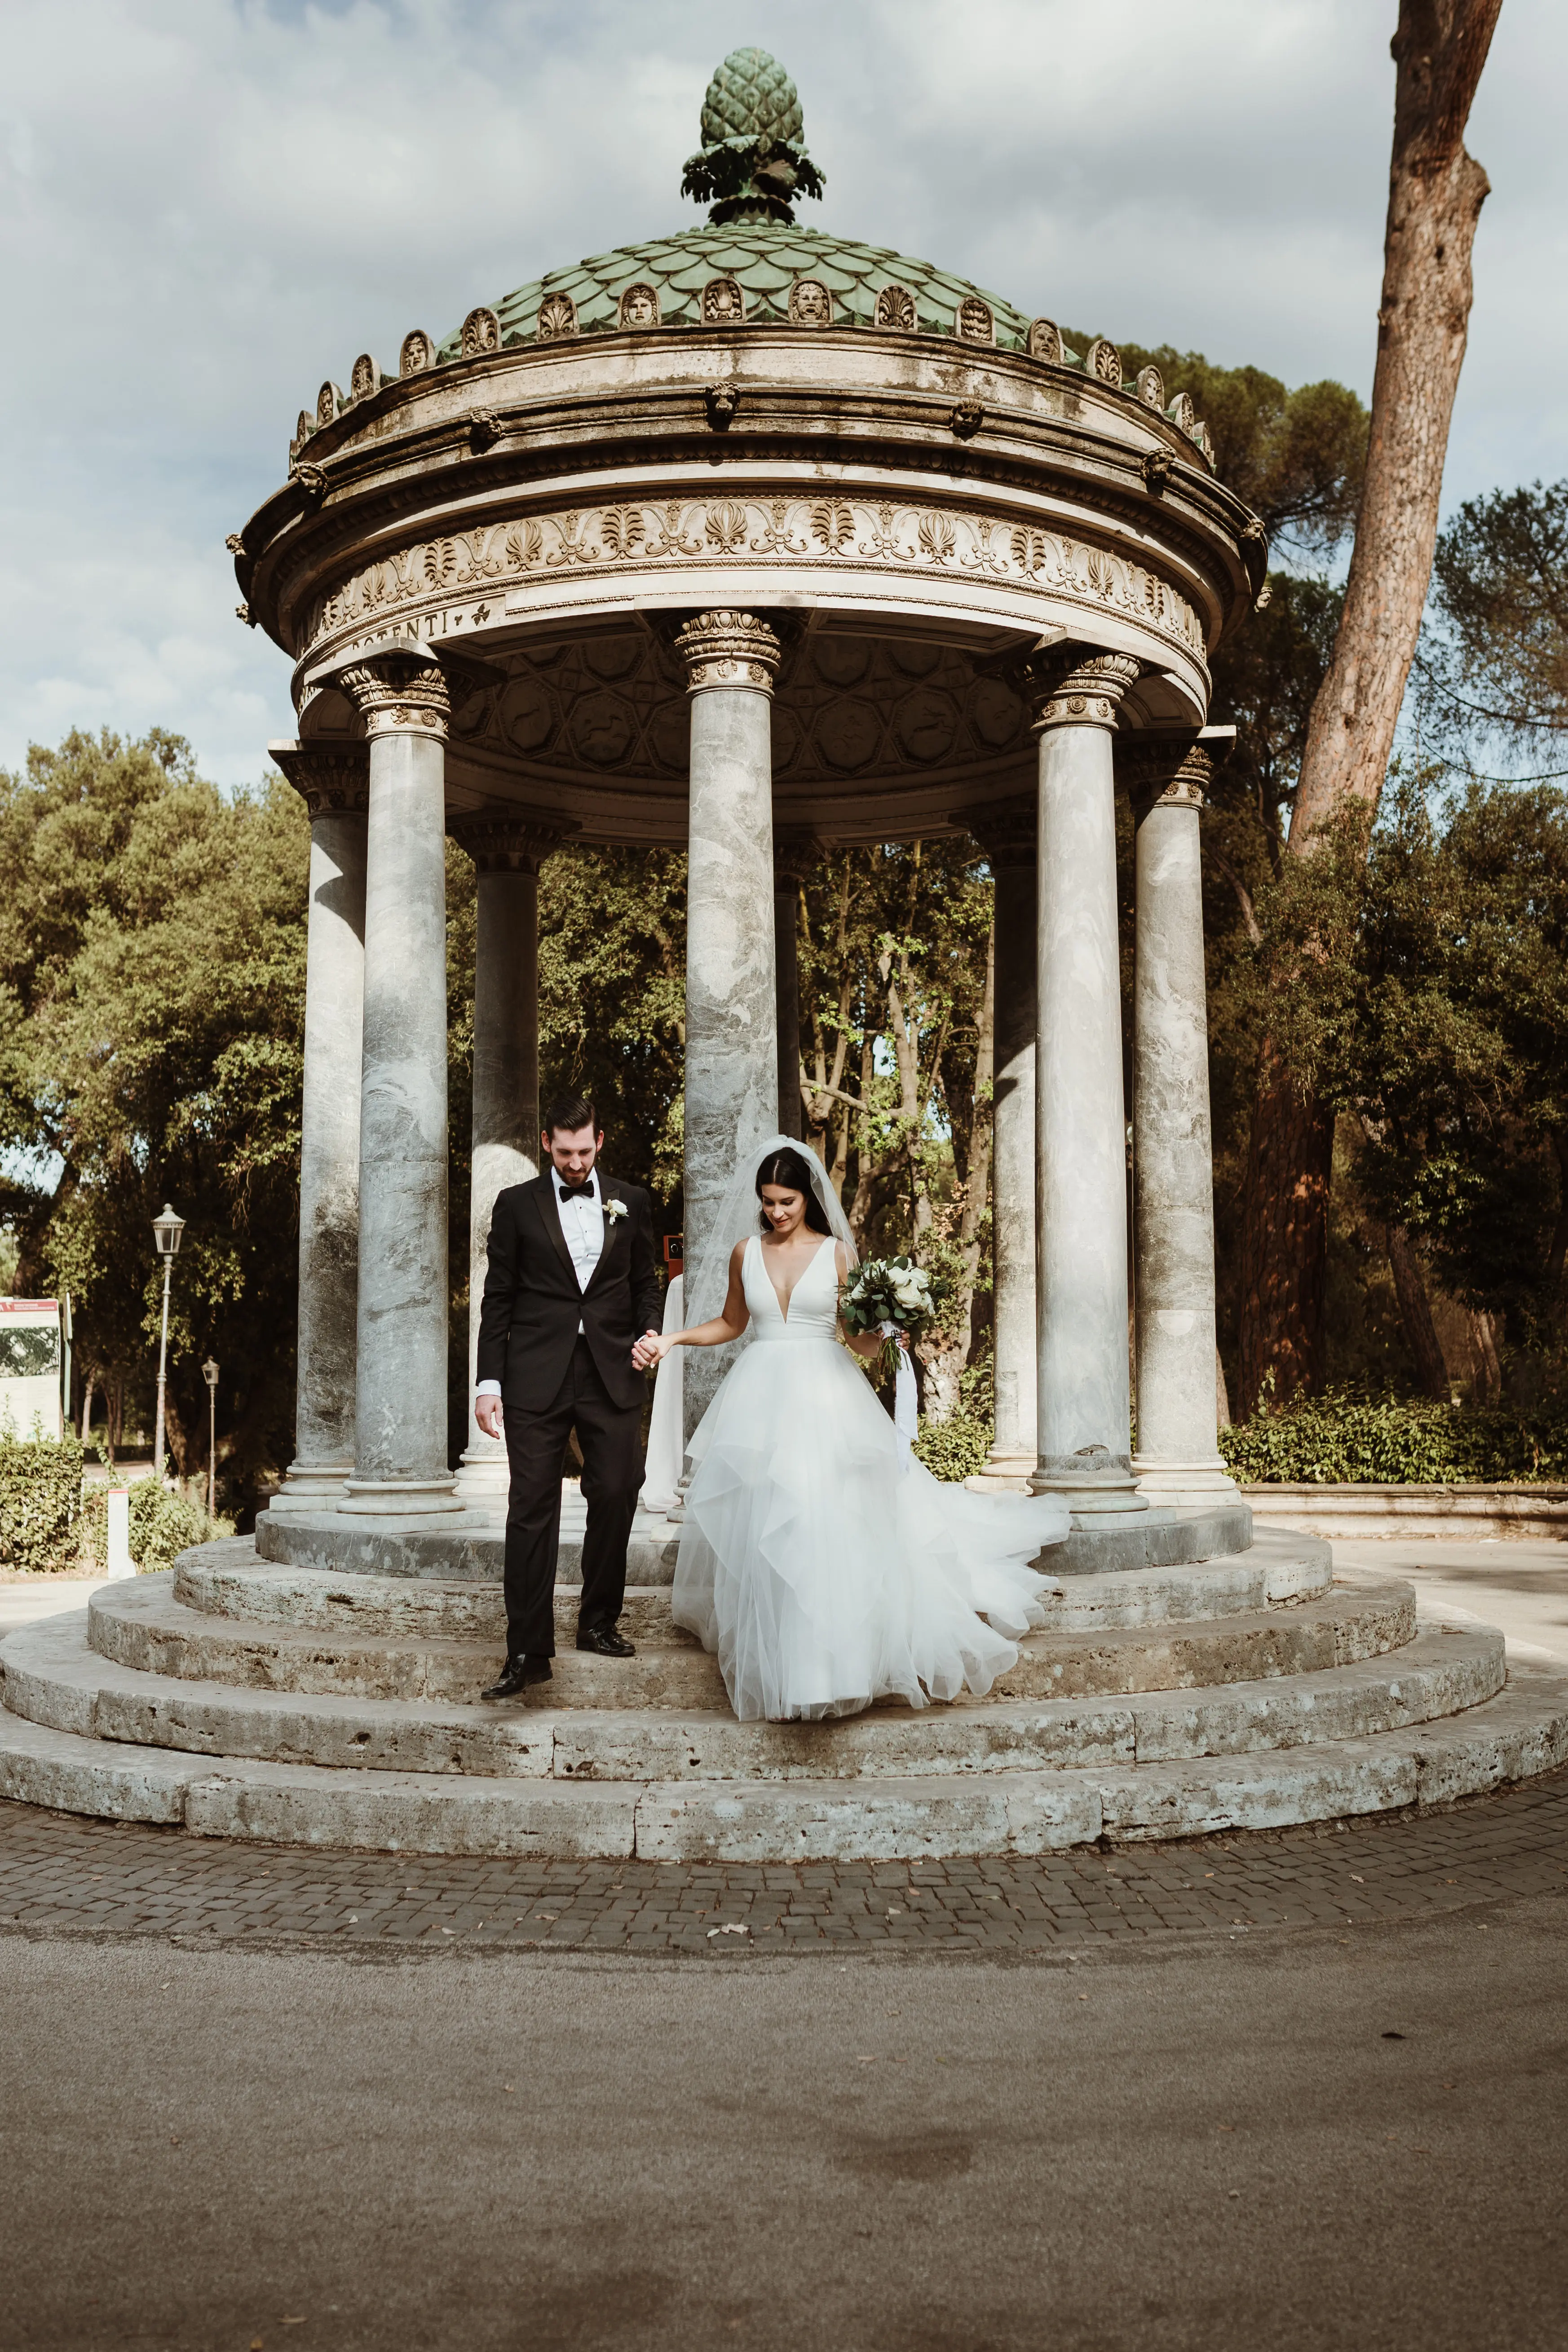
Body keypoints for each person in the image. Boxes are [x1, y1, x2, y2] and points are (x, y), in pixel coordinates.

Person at [645, 1136, 1070, 1723]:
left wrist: (893, 1331)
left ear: (808, 1197)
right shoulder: (746, 1252)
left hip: (827, 1395)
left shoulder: (838, 1253)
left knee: (828, 1522)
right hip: (759, 1397)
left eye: (787, 1201)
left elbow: (858, 1341)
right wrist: (672, 1340)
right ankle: (786, 1672)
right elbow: (730, 1323)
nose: (776, 1212)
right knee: (773, 1526)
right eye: (767, 1201)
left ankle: (836, 1670)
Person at [473, 1093, 663, 1700]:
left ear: (599, 1142)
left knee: (617, 1488)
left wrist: (650, 1331)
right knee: (531, 1506)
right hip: (534, 1375)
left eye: (585, 1151)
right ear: (546, 1146)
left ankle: (598, 1621)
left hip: (611, 1371)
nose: (576, 1163)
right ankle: (525, 1649)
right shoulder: (514, 1206)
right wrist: (488, 1383)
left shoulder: (632, 1202)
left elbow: (645, 1282)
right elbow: (497, 1298)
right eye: (564, 1153)